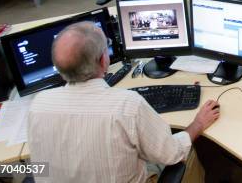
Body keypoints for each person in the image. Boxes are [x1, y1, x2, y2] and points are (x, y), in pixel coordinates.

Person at [28, 22, 220, 183]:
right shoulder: (127, 106)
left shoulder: (38, 105)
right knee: (189, 152)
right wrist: (198, 124)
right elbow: (172, 153)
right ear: (104, 60)